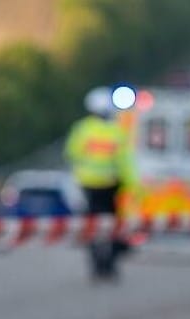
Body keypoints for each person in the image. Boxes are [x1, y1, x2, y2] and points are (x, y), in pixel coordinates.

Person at [65, 86, 137, 281]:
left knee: (92, 226)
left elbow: (72, 153)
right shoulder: (115, 132)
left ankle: (96, 264)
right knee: (112, 226)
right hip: (111, 185)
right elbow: (125, 163)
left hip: (88, 185)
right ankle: (110, 264)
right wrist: (133, 186)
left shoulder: (82, 130)